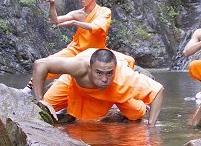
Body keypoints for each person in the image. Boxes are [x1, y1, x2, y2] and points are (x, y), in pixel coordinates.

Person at [32, 48, 164, 127]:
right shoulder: (79, 67)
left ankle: (140, 106)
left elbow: (158, 90)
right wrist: (40, 98)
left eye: (109, 73)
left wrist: (151, 127)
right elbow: (40, 64)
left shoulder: (123, 77)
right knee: (42, 110)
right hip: (74, 84)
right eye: (99, 73)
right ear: (89, 69)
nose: (104, 79)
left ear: (115, 70)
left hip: (114, 91)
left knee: (135, 115)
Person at [25, 0, 111, 90]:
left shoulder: (104, 11)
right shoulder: (77, 13)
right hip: (77, 49)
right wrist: (52, 4)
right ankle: (28, 89)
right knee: (49, 61)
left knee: (127, 62)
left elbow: (97, 27)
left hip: (97, 52)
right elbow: (55, 20)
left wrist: (75, 22)